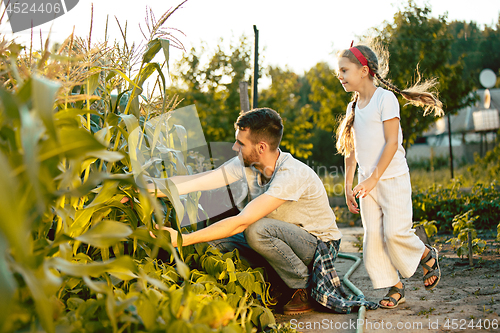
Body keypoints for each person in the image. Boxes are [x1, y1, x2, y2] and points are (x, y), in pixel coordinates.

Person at [149, 108, 342, 315]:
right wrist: (146, 188)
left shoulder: (291, 174)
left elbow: (243, 222)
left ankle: (301, 287)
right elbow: (197, 181)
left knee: (255, 229)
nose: (234, 147)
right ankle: (275, 280)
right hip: (280, 239)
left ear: (261, 147)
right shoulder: (248, 165)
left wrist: (182, 239)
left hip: (317, 246)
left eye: (240, 143)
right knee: (210, 243)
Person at [335, 42, 443, 309]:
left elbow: (392, 143)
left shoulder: (385, 99)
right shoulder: (353, 107)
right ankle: (395, 286)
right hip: (366, 184)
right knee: (373, 239)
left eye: (344, 70)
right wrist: (348, 186)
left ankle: (428, 255)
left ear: (363, 70)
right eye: (338, 71)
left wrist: (374, 178)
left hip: (392, 177)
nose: (340, 76)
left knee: (395, 233)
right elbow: (351, 151)